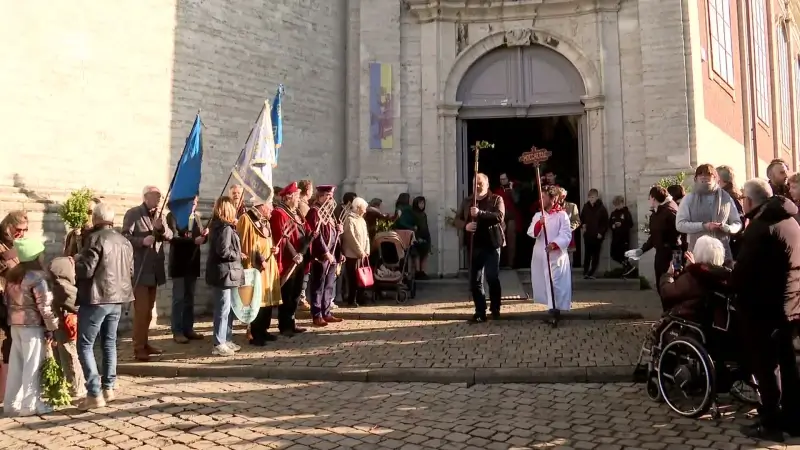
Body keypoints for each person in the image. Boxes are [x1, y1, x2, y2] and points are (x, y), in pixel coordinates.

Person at [733, 178, 800, 440]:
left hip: (766, 308)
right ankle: (793, 420)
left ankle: (770, 423)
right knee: (788, 366)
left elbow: (742, 274)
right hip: (792, 304)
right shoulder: (789, 220)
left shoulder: (760, 227)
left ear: (748, 201)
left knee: (767, 367)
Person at [74, 203, 134, 410]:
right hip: (118, 297)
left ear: (95, 220)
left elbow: (87, 270)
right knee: (109, 343)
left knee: (85, 344)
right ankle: (109, 387)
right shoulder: (124, 241)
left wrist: (76, 260)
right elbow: (131, 270)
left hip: (97, 297)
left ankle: (94, 393)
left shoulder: (95, 238)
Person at [2, 238, 58, 416]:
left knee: (16, 365)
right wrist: (51, 328)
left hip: (15, 325)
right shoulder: (38, 277)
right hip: (32, 326)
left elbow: (6, 301)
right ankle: (30, 405)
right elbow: (44, 306)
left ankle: (11, 404)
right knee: (33, 365)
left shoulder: (12, 276)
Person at [122, 185, 173, 361]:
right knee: (141, 311)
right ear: (146, 197)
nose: (159, 199)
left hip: (155, 270)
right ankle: (138, 348)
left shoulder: (160, 216)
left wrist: (160, 228)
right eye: (156, 196)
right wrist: (142, 240)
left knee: (149, 311)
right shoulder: (133, 213)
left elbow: (170, 236)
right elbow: (124, 238)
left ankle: (145, 343)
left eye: (160, 196)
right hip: (140, 269)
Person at [453, 173, 505, 323]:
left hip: (491, 244)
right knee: (475, 281)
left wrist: (480, 213)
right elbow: (457, 219)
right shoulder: (468, 201)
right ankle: (480, 311)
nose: (477, 186)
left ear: (487, 185)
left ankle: (495, 309)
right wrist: (466, 226)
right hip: (474, 245)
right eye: (475, 183)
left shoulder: (496, 199)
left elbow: (499, 216)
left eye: (480, 183)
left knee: (492, 277)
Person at [237, 197, 282, 345]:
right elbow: (246, 244)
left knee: (266, 300)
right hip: (255, 266)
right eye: (269, 205)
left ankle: (264, 329)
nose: (271, 208)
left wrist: (273, 247)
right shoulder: (246, 219)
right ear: (261, 205)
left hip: (268, 265)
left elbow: (266, 241)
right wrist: (259, 259)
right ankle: (255, 333)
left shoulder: (265, 220)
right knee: (256, 300)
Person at [676, 164, 742, 265]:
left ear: (715, 177)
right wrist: (703, 226)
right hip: (697, 251)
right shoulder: (689, 199)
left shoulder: (725, 197)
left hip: (722, 251)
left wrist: (727, 228)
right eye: (700, 174)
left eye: (708, 174)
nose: (704, 177)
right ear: (695, 178)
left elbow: (737, 222)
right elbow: (680, 224)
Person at [527, 185, 573, 326]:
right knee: (546, 283)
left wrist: (554, 244)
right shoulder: (538, 215)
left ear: (552, 199)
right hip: (541, 254)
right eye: (540, 197)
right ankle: (551, 309)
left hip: (556, 255)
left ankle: (555, 311)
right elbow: (531, 232)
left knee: (556, 283)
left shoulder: (562, 215)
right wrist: (539, 225)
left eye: (544, 197)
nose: (541, 200)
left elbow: (566, 234)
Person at [270, 182, 311, 336]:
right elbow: (282, 237)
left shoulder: (296, 213)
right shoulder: (280, 213)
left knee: (295, 292)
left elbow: (305, 228)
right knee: (287, 293)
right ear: (288, 197)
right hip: (288, 260)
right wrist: (294, 255)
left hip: (300, 257)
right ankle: (284, 325)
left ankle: (292, 322)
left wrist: (310, 238)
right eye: (296, 196)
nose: (298, 199)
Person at [205, 196, 245, 356]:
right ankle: (219, 342)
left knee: (228, 308)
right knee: (223, 309)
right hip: (224, 273)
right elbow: (223, 251)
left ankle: (226, 338)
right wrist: (237, 254)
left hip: (225, 272)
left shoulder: (220, 226)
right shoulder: (224, 228)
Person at [625, 185, 680, 297]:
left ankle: (674, 313)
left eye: (649, 198)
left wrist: (677, 262)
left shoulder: (670, 212)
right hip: (661, 254)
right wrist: (641, 250)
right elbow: (654, 236)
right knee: (661, 286)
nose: (649, 200)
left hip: (674, 254)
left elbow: (680, 237)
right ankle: (666, 312)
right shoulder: (656, 213)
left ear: (653, 198)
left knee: (674, 285)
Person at [166, 195, 207, 344]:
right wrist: (192, 241)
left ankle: (188, 328)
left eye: (196, 202)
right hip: (179, 262)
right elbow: (173, 238)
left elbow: (200, 236)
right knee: (179, 299)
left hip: (192, 262)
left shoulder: (196, 217)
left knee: (190, 298)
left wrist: (205, 236)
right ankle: (177, 331)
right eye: (192, 202)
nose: (194, 205)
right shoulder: (173, 216)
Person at [658, 236, 730, 319]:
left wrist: (668, 275)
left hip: (690, 320)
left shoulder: (693, 277)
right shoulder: (725, 276)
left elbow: (667, 293)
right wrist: (694, 266)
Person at [48, 253, 87, 402]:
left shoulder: (56, 284)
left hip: (61, 324)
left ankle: (69, 384)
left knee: (65, 356)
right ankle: (77, 387)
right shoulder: (65, 288)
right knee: (70, 356)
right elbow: (76, 306)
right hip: (66, 325)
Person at [306, 186, 343, 326]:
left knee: (329, 284)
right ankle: (317, 314)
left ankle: (326, 312)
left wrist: (339, 230)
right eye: (328, 195)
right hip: (321, 255)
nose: (330, 198)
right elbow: (316, 235)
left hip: (333, 254)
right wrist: (325, 252)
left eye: (331, 195)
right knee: (318, 285)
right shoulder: (315, 212)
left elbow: (333, 233)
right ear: (320, 196)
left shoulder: (330, 212)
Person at [0, 210, 27, 398]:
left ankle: (8, 389)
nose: (22, 234)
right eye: (18, 230)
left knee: (11, 342)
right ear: (9, 226)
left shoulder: (15, 242)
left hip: (13, 300)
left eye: (25, 230)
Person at [341, 197, 371, 307]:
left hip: (362, 254)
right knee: (353, 278)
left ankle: (361, 297)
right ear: (358, 208)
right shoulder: (350, 219)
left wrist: (366, 250)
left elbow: (366, 236)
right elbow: (351, 237)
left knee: (362, 277)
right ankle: (351, 299)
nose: (365, 211)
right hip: (352, 254)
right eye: (364, 208)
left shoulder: (362, 220)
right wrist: (359, 251)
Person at [579, 188, 608, 279]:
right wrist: (583, 225)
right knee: (587, 254)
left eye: (593, 197)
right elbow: (582, 218)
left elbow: (605, 222)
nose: (591, 199)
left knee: (595, 255)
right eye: (590, 197)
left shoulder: (601, 208)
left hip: (597, 236)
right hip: (588, 235)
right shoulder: (586, 207)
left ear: (596, 197)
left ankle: (593, 272)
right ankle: (586, 272)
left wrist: (601, 232)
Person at [716, 165, 744, 258]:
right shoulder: (734, 193)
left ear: (719, 179)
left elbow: (739, 220)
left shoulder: (728, 196)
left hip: (730, 242)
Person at [493, 173, 520, 268]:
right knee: (500, 240)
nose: (502, 181)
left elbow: (517, 200)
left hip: (511, 217)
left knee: (511, 240)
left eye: (504, 179)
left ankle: (510, 264)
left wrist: (512, 189)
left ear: (508, 179)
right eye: (501, 179)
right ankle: (499, 263)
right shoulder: (497, 191)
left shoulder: (514, 189)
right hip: (501, 218)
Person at [609, 195, 634, 275]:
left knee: (624, 254)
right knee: (613, 255)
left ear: (622, 203)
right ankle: (628, 266)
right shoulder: (613, 213)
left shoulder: (626, 213)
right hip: (615, 237)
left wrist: (622, 224)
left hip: (624, 238)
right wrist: (613, 225)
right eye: (616, 205)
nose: (617, 207)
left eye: (619, 204)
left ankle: (627, 269)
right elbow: (609, 223)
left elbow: (631, 224)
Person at [411, 196, 431, 279]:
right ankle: (417, 271)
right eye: (420, 203)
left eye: (423, 203)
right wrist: (417, 237)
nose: (422, 205)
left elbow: (425, 226)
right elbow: (414, 227)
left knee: (425, 254)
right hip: (417, 236)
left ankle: (422, 271)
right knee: (417, 255)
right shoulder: (413, 214)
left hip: (425, 235)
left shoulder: (423, 214)